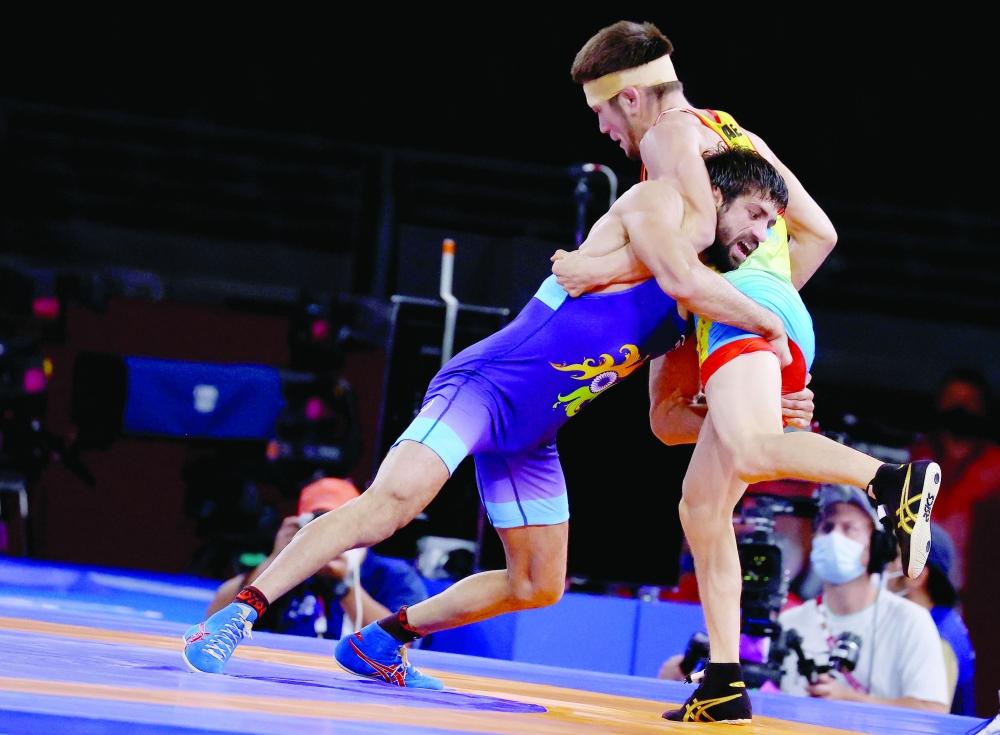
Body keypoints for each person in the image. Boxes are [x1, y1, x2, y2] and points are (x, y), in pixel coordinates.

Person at [181, 146, 797, 688]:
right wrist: (771, 322)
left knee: (538, 583)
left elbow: (668, 421)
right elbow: (701, 260)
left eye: (773, 224)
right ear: (714, 195)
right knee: (391, 504)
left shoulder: (703, 303)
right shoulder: (656, 212)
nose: (763, 234)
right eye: (756, 214)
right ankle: (237, 615)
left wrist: (766, 414)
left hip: (533, 435)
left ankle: (381, 640)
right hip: (483, 386)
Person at [559, 21, 941, 723]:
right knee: (702, 507)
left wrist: (600, 268)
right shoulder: (738, 135)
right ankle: (725, 683)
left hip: (741, 313)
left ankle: (893, 482)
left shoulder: (667, 137)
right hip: (770, 310)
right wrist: (774, 299)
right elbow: (819, 232)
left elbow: (688, 245)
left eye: (604, 111)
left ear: (634, 98)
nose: (606, 129)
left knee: (755, 449)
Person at [778, 485, 949, 712]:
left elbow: (933, 710)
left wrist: (848, 699)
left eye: (849, 529)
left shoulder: (910, 621)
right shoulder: (788, 621)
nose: (834, 537)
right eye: (827, 527)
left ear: (878, 548)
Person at [203, 477, 428, 641]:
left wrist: (344, 586)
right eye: (319, 522)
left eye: (338, 521)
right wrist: (277, 559)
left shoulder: (394, 575)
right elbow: (215, 616)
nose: (329, 532)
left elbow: (405, 641)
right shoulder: (289, 574)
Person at [910, 369, 1000, 587]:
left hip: (977, 589)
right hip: (916, 584)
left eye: (969, 401)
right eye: (952, 399)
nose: (960, 408)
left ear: (983, 408)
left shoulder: (996, 465)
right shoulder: (915, 457)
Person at [884, 524, 976, 716]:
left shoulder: (939, 638)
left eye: (892, 557)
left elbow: (927, 721)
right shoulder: (940, 622)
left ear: (916, 575)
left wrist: (849, 698)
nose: (884, 565)